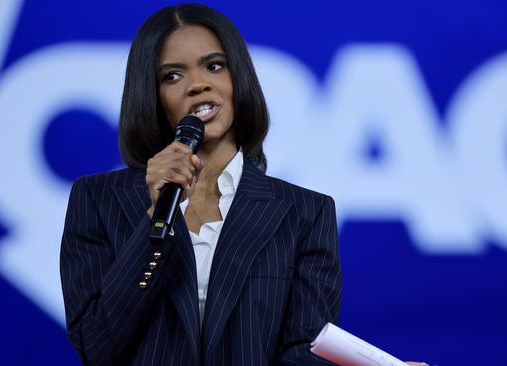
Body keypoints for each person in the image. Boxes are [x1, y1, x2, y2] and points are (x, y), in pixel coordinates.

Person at [60, 4, 423, 366]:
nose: (198, 83)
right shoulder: (97, 200)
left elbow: (303, 356)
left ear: (239, 79)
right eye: (172, 76)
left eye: (214, 66)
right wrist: (155, 219)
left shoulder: (305, 213)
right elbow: (98, 347)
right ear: (151, 96)